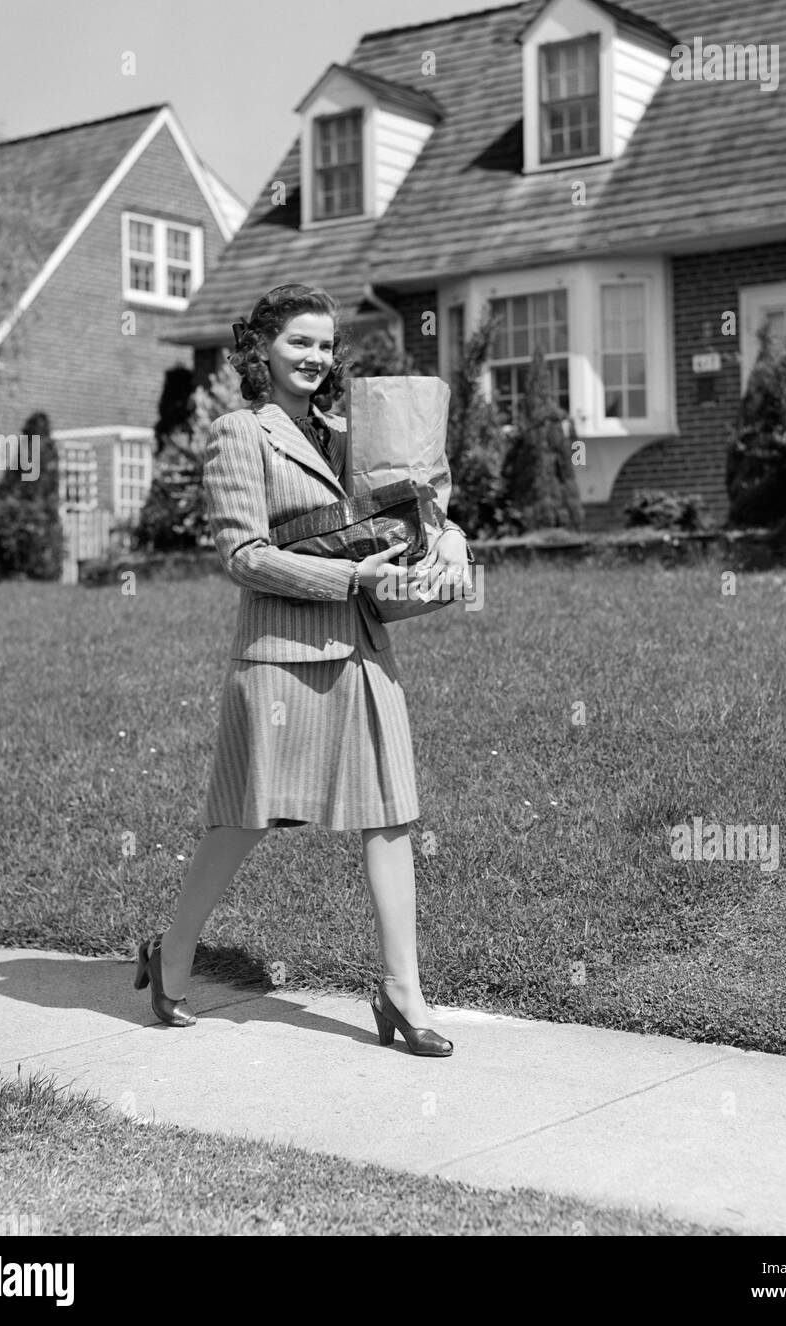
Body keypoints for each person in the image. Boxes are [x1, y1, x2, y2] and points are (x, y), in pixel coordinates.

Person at [134, 283, 472, 1056]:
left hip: (361, 651)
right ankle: (172, 955)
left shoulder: (357, 433)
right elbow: (242, 555)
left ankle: (401, 994)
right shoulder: (238, 434)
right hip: (280, 658)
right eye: (299, 343)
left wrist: (449, 537)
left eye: (325, 345)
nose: (316, 358)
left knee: (388, 816)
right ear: (261, 349)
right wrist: (349, 579)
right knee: (245, 821)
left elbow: (416, 505)